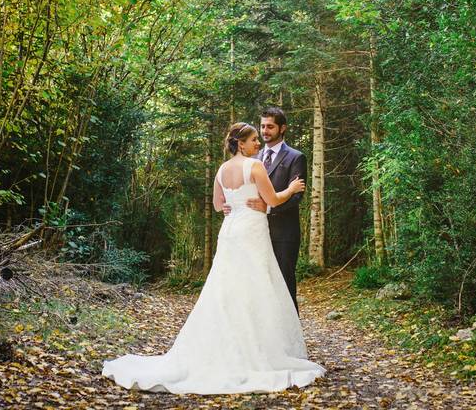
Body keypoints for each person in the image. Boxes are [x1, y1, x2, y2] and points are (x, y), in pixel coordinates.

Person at [101, 122, 325, 394]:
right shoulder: (254, 166)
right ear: (241, 143)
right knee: (254, 288)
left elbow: (220, 205)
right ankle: (253, 349)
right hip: (251, 232)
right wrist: (290, 189)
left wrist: (235, 206)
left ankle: (225, 345)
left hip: (230, 231)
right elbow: (274, 200)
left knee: (226, 289)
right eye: (254, 139)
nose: (257, 143)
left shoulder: (221, 170)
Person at [223, 107, 306, 312]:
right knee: (257, 286)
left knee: (285, 284)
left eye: (270, 126)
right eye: (262, 126)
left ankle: (290, 337)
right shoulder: (252, 157)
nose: (265, 131)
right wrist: (232, 204)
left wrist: (268, 208)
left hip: (283, 233)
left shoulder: (296, 157)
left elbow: (297, 195)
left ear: (282, 128)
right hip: (253, 232)